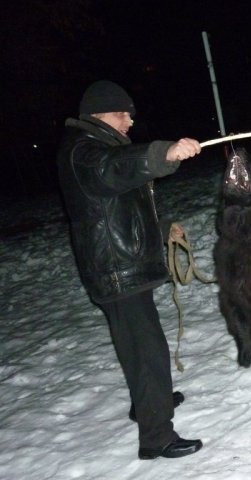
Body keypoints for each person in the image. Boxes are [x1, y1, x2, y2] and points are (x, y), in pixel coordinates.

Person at [57, 80, 203, 460]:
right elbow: (114, 170)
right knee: (146, 349)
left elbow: (120, 196)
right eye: (124, 114)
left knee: (139, 346)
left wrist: (161, 225)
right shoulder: (86, 151)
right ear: (101, 113)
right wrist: (163, 152)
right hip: (117, 272)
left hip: (121, 267)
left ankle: (147, 402)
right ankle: (156, 436)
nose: (130, 122)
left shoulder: (95, 147)